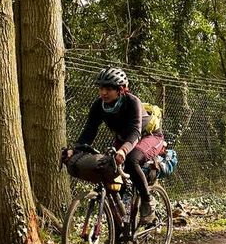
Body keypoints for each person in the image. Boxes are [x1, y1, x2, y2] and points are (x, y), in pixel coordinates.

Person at [69, 67, 161, 225]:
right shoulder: (99, 105)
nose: (103, 92)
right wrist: (75, 149)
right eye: (101, 88)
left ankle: (147, 201)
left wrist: (123, 151)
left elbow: (135, 132)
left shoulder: (132, 102)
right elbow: (89, 132)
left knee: (131, 160)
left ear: (120, 90)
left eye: (109, 89)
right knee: (114, 180)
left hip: (148, 136)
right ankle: (118, 235)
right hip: (124, 139)